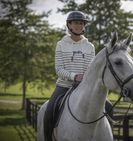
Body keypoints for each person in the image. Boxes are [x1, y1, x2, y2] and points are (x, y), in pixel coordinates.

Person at [43, 11, 113, 141]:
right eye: (76, 23)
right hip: (64, 86)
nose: (79, 26)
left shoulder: (89, 46)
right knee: (49, 109)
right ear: (69, 25)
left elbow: (90, 69)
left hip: (84, 87)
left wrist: (84, 79)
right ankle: (48, 138)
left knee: (108, 107)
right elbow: (59, 69)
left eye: (81, 23)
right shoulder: (61, 44)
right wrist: (75, 77)